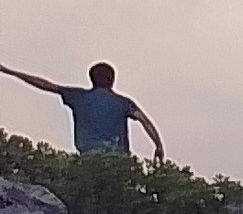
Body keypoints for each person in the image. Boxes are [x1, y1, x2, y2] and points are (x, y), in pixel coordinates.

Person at [1, 61, 164, 160]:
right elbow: (146, 122)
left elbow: (44, 84)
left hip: (88, 157)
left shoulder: (78, 96)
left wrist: (9, 71)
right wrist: (158, 146)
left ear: (91, 79)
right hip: (117, 160)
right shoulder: (123, 103)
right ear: (112, 80)